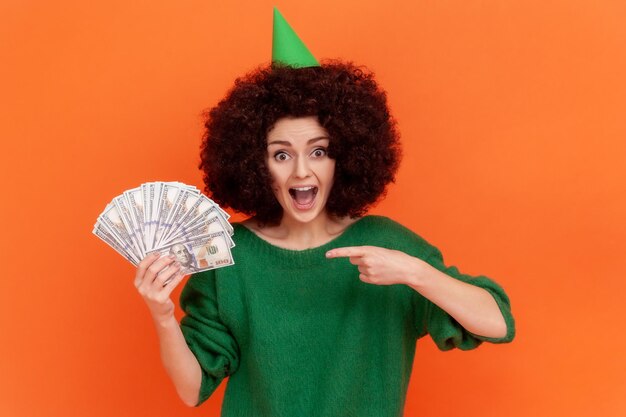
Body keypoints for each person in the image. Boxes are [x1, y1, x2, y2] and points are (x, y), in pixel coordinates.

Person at [133, 9, 515, 417]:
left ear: (345, 157)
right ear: (256, 166)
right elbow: (192, 390)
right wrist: (162, 314)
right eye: (281, 154)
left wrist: (414, 273)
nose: (302, 171)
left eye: (319, 151)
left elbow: (496, 323)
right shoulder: (228, 253)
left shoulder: (387, 245)